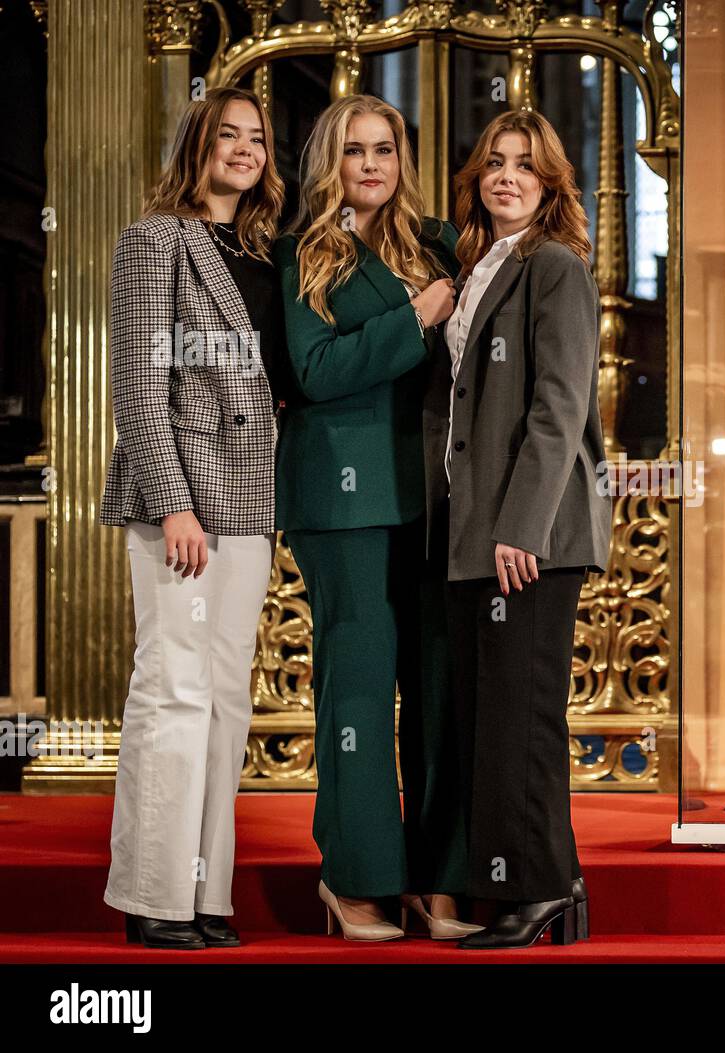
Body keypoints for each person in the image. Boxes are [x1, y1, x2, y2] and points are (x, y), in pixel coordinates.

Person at [274, 94, 478, 941]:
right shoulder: (300, 254)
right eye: (354, 150)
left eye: (385, 149)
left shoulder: (438, 242)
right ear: (330, 161)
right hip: (343, 499)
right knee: (357, 689)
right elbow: (314, 372)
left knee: (436, 690)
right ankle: (355, 877)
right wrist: (415, 316)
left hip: (432, 498)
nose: (371, 164)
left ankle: (436, 880)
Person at [99, 85, 284, 948]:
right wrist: (174, 501)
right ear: (197, 144)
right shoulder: (154, 239)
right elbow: (137, 390)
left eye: (256, 137)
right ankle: (153, 896)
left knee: (223, 703)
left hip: (248, 499)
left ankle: (205, 895)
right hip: (182, 501)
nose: (244, 149)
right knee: (171, 691)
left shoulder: (261, 248)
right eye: (228, 134)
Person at [423, 110, 610, 948]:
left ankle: (537, 890)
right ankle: (550, 886)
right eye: (493, 162)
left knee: (522, 715)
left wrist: (521, 526)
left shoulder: (557, 266)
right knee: (495, 715)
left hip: (526, 535)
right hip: (476, 534)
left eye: (524, 166)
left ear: (549, 183)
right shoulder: (477, 267)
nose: (506, 176)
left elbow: (560, 408)